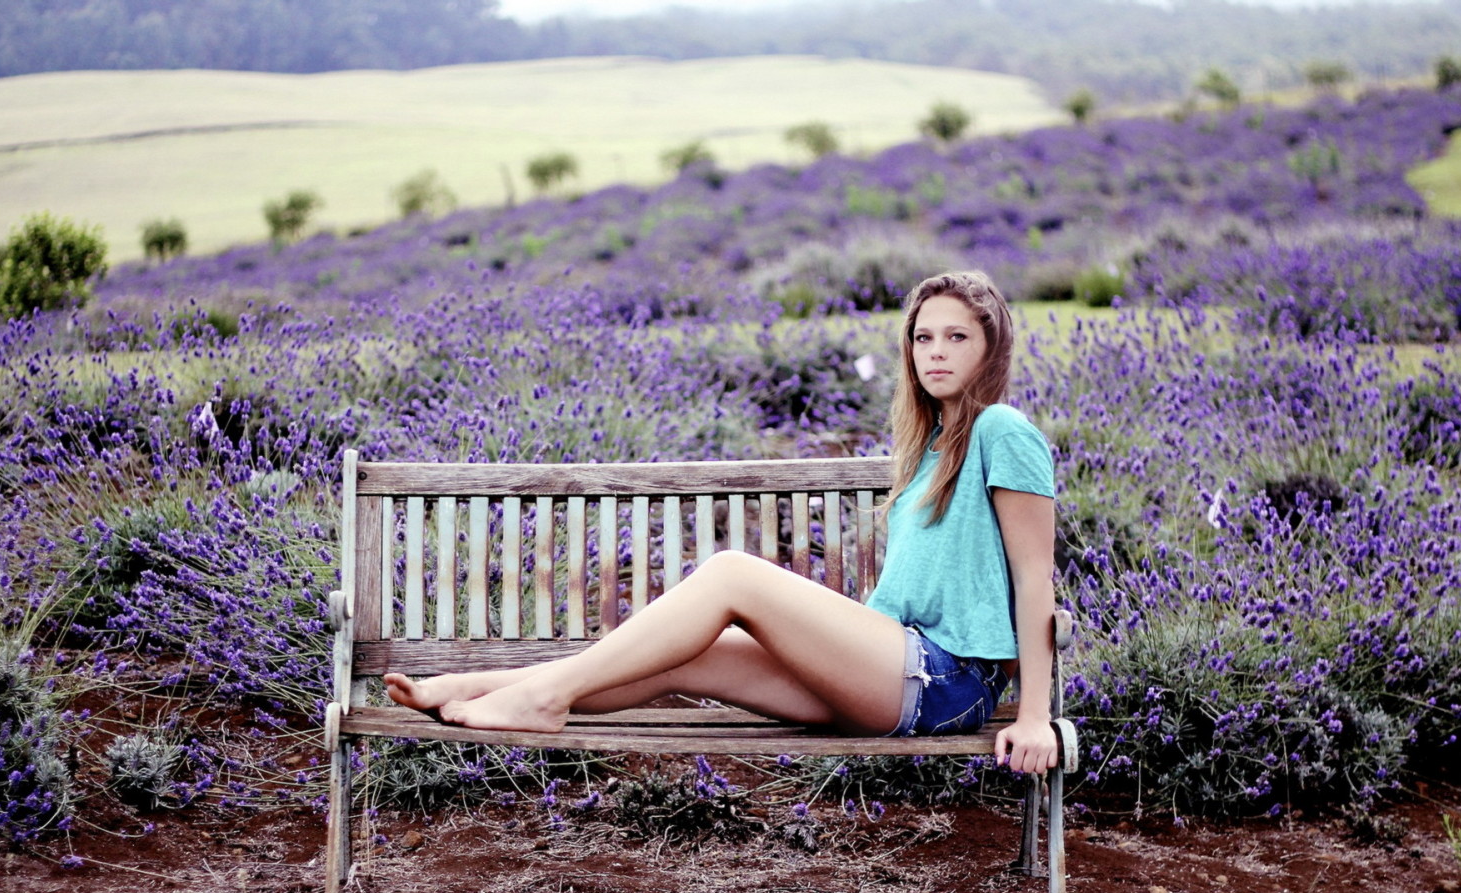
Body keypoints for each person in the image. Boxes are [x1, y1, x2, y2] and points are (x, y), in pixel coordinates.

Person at [384, 270, 1060, 773]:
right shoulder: (932, 448)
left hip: (947, 681)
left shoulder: (1003, 431)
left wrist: (1034, 717)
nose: (935, 351)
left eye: (956, 337)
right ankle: (472, 688)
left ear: (990, 347)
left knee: (732, 573)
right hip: (897, 661)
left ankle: (543, 697)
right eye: (922, 337)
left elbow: (1036, 581)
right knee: (690, 657)